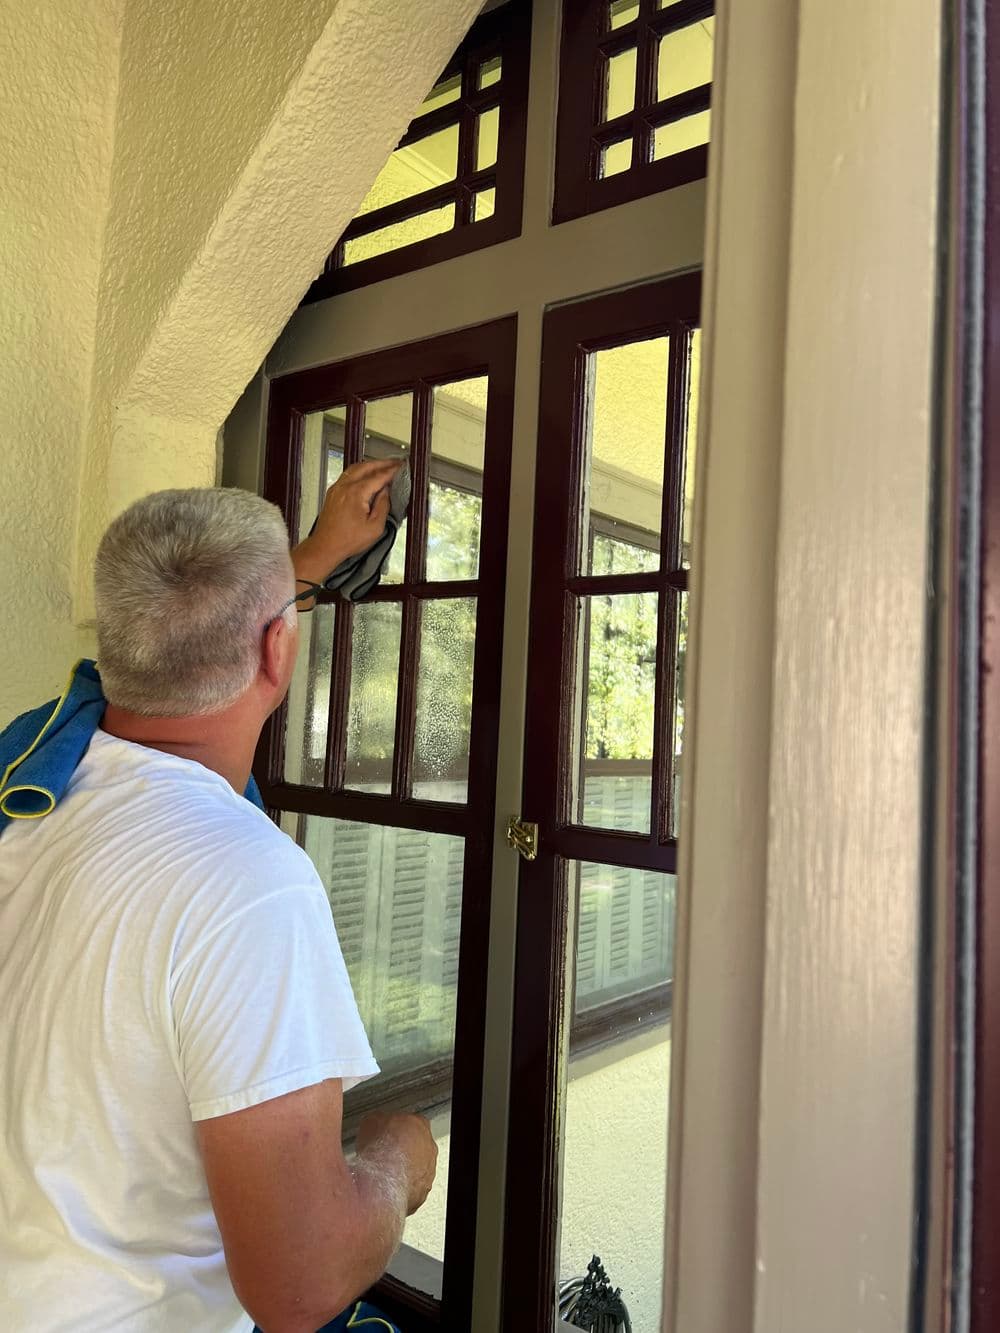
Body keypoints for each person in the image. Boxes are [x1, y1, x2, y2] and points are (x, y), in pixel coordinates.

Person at [0, 464, 438, 1332]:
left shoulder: (31, 784)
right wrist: (396, 1162)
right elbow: (298, 1285)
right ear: (279, 647)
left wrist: (304, 564)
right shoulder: (246, 880)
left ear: (118, 640)